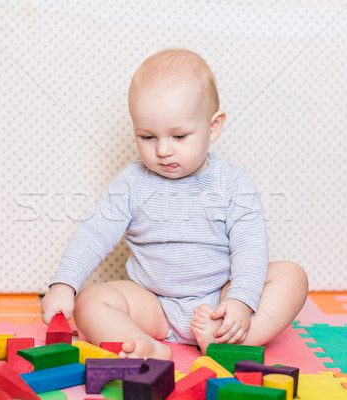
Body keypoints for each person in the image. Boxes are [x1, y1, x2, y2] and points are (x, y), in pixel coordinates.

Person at [41, 49, 308, 360]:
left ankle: (230, 337)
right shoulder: (132, 181)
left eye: (179, 136)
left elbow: (251, 248)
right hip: (154, 303)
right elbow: (96, 233)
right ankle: (142, 344)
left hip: (220, 296)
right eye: (148, 137)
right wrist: (65, 284)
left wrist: (240, 302)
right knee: (91, 300)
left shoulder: (232, 183)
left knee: (291, 276)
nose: (163, 150)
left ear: (213, 126)